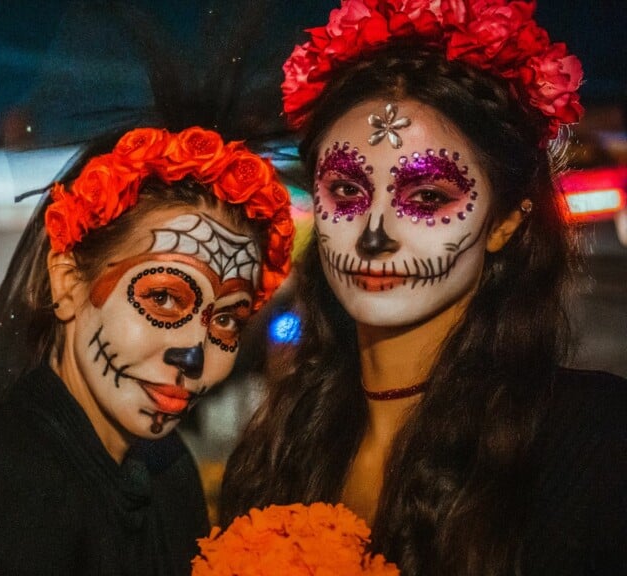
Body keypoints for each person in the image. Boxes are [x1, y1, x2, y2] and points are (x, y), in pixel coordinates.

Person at [219, 1, 627, 575]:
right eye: (346, 192)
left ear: (507, 219)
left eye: (427, 197)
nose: (374, 235)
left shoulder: (595, 446)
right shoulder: (275, 450)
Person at [0, 126, 293, 575]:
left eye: (227, 318)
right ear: (69, 283)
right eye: (163, 298)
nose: (194, 357)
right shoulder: (7, 495)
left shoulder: (166, 466)